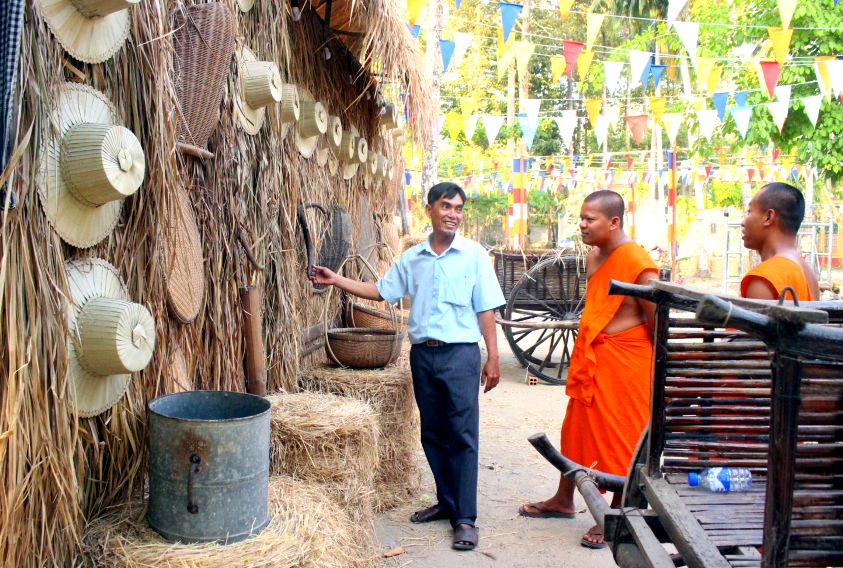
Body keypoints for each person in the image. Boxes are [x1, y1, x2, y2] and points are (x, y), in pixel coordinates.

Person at [309, 182, 504, 552]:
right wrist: (336, 280)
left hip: (461, 355)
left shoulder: (474, 255)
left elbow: (486, 309)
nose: (453, 214)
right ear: (429, 209)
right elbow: (381, 291)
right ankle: (447, 502)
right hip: (423, 356)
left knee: (462, 435)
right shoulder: (413, 258)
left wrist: (492, 357)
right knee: (432, 432)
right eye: (446, 206)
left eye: (458, 208)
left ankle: (465, 518)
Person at [518, 190, 658, 550]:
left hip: (627, 362)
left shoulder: (638, 262)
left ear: (614, 222)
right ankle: (564, 499)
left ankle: (617, 509)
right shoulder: (594, 256)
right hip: (593, 357)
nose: (581, 225)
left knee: (622, 435)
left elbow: (656, 321)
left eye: (589, 219)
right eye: (580, 217)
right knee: (576, 429)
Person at [740, 182, 819, 301]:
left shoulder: (763, 279)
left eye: (749, 211)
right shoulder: (809, 276)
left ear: (768, 217)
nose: (743, 222)